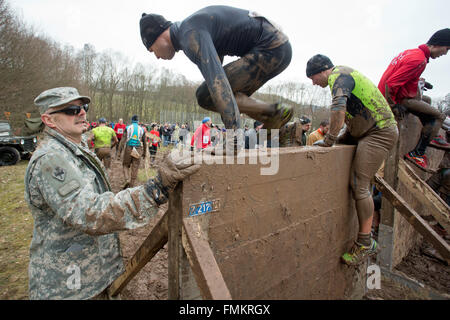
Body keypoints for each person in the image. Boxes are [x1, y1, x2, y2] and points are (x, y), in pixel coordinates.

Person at [24, 87, 200, 299]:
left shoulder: (75, 149)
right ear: (49, 120)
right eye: (71, 109)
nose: (81, 113)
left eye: (83, 107)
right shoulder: (52, 159)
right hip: (69, 286)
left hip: (91, 274)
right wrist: (154, 190)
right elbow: (90, 212)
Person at [139, 5, 294, 142]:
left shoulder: (189, 34)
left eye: (152, 50)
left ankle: (273, 113)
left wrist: (234, 138)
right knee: (220, 95)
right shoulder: (190, 30)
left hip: (271, 47)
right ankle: (278, 123)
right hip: (277, 47)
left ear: (158, 35)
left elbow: (218, 84)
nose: (157, 56)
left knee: (205, 96)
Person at [306, 54, 399, 266]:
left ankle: (365, 242)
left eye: (312, 77)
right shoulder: (342, 76)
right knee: (344, 152)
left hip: (379, 132)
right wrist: (339, 139)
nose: (313, 83)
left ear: (322, 71)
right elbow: (354, 113)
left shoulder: (339, 76)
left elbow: (339, 108)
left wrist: (329, 139)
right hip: (364, 130)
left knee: (360, 185)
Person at [378, 28, 450, 172]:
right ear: (438, 44)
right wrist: (393, 105)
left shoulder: (411, 52)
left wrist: (420, 82)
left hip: (391, 95)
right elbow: (391, 84)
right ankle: (417, 153)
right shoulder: (419, 60)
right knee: (438, 116)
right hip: (396, 98)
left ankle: (432, 135)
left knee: (427, 101)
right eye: (446, 49)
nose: (445, 53)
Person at [123, 115, 147, 188]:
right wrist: (144, 153)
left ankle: (127, 179)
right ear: (138, 121)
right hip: (138, 148)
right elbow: (145, 142)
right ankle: (131, 185)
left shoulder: (128, 127)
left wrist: (119, 152)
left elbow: (122, 140)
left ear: (132, 120)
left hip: (129, 148)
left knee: (125, 165)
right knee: (135, 167)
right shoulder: (142, 129)